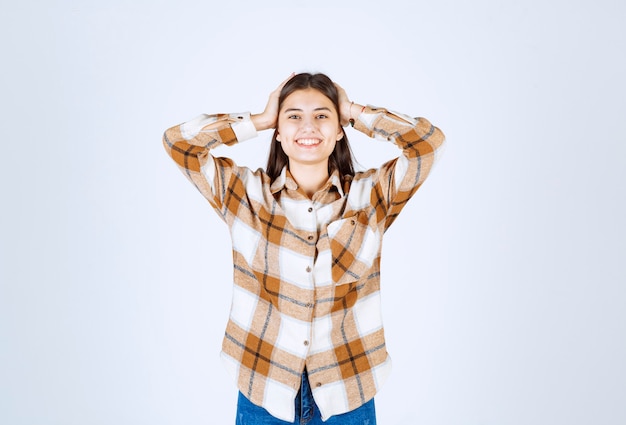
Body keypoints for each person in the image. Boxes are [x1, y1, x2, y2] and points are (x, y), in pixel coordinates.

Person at [163, 72, 445, 424]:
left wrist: (354, 109)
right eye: (293, 116)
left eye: (322, 115)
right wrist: (260, 119)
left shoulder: (371, 195)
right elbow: (179, 143)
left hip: (347, 391)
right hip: (264, 389)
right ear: (278, 132)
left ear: (340, 128)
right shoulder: (245, 194)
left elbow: (427, 144)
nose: (308, 126)